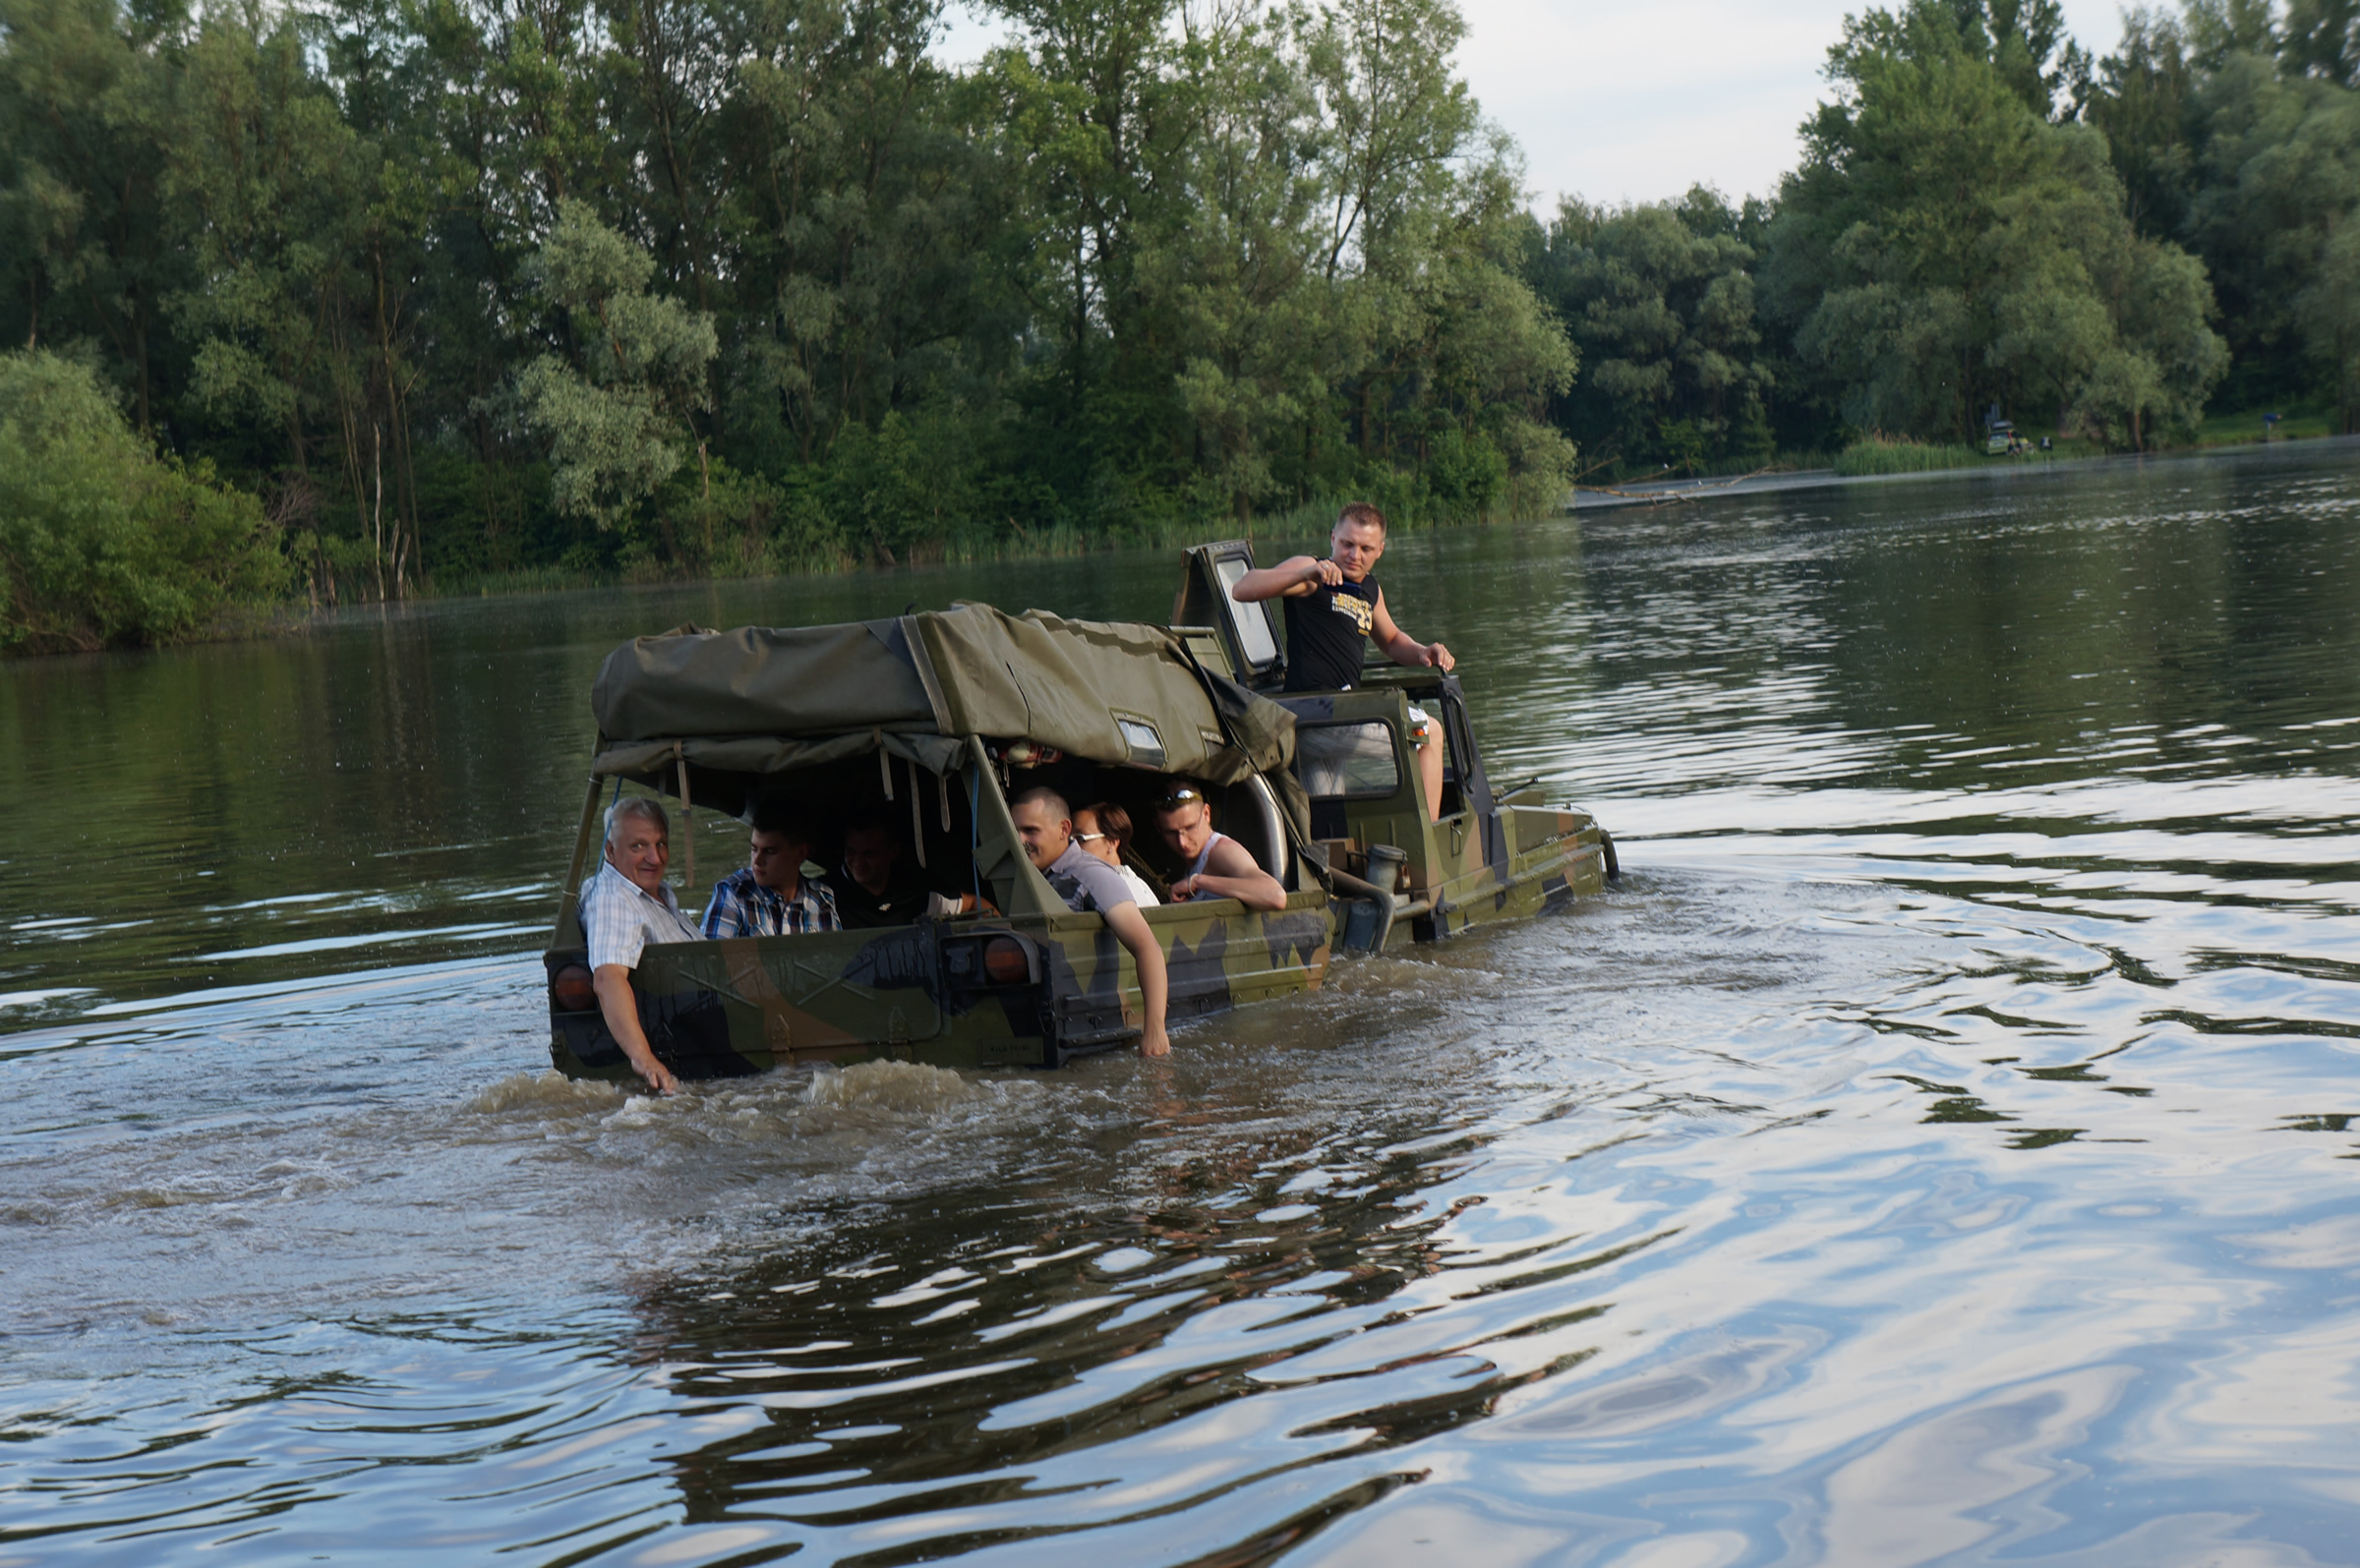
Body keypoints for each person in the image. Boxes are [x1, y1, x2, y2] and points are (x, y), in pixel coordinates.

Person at [1229, 500, 1453, 818]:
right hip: (1311, 715)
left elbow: (1390, 639)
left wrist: (1421, 652)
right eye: (1347, 544)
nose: (1354, 555)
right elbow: (1242, 588)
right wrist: (1307, 571)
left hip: (1340, 713)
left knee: (1325, 815)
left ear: (1380, 550)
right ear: (1333, 538)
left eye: (1365, 548)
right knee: (1430, 733)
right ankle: (1429, 839)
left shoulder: (1369, 589)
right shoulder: (1311, 571)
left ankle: (1324, 862)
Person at [1008, 786, 1170, 1057]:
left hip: (1092, 1032)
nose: (1021, 840)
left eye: (1031, 830)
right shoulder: (1032, 876)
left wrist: (1154, 1030)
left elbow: (1147, 947)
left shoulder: (1091, 875)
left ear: (1064, 830)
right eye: (1016, 832)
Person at [580, 796, 700, 1094]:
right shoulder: (614, 899)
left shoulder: (651, 893)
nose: (655, 858)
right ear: (610, 851)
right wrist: (643, 1058)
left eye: (660, 844)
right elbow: (608, 978)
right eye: (638, 846)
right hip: (675, 1049)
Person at [702, 800, 838, 938]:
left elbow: (836, 956)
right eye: (754, 849)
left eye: (769, 851)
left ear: (800, 853)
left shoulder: (821, 898)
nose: (757, 860)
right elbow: (712, 958)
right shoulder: (732, 894)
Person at [1150, 784, 1288, 911]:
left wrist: (1198, 881)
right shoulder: (1194, 861)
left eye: (1190, 827)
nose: (1182, 842)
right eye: (1171, 832)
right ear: (1158, 828)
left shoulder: (1222, 851)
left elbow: (1276, 895)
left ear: (1206, 814)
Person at [830, 816, 930, 928]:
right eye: (851, 851)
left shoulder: (919, 891)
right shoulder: (826, 895)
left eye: (869, 854)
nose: (858, 862)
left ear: (893, 852)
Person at [1075, 801, 1159, 906]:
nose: (1072, 846)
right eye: (1069, 839)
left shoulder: (1103, 887)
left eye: (1080, 838)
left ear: (1112, 842)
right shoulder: (1138, 884)